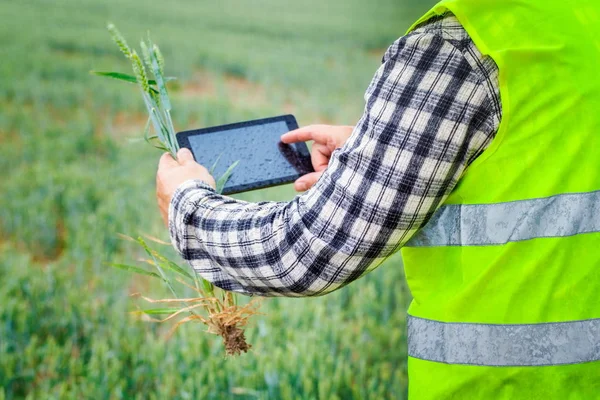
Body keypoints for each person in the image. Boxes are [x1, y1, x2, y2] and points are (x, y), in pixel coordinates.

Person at [156, 0, 600, 398]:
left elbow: (307, 250)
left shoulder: (455, 47)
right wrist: (387, 155)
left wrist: (187, 207)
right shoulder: (579, 21)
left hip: (504, 385)